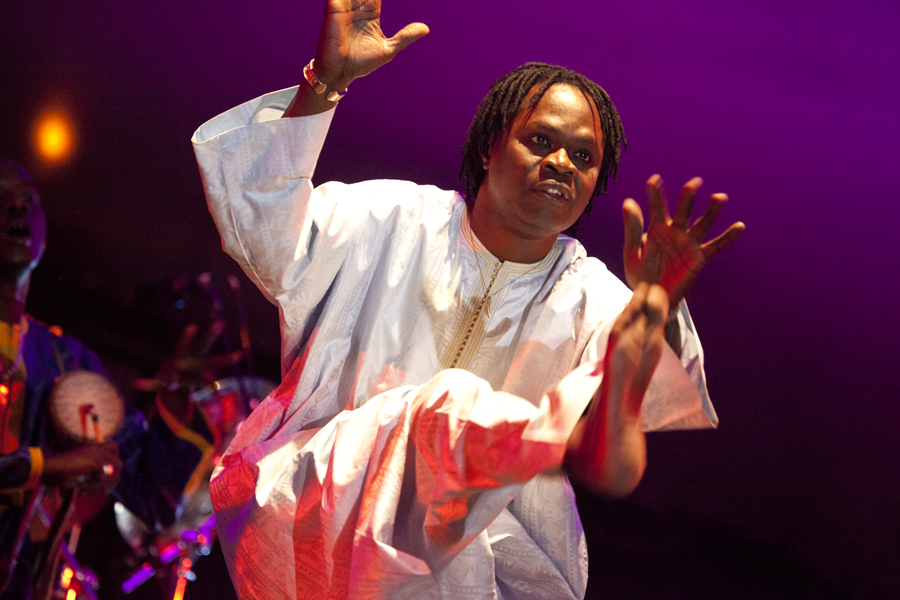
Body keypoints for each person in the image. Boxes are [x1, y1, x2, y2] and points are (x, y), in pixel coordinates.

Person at [193, 1, 744, 598]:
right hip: (324, 516)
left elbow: (631, 441)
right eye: (541, 140)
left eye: (583, 157)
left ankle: (541, 449)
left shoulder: (595, 299)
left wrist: (652, 307)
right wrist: (323, 86)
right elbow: (261, 226)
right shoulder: (390, 217)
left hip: (481, 571)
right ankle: (545, 443)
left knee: (461, 426)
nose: (561, 162)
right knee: (444, 404)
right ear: (489, 147)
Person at [0, 159, 237, 599]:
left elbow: (153, 494)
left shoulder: (64, 361)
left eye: (27, 200)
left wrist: (177, 391)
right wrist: (48, 468)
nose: (15, 208)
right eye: (1, 198)